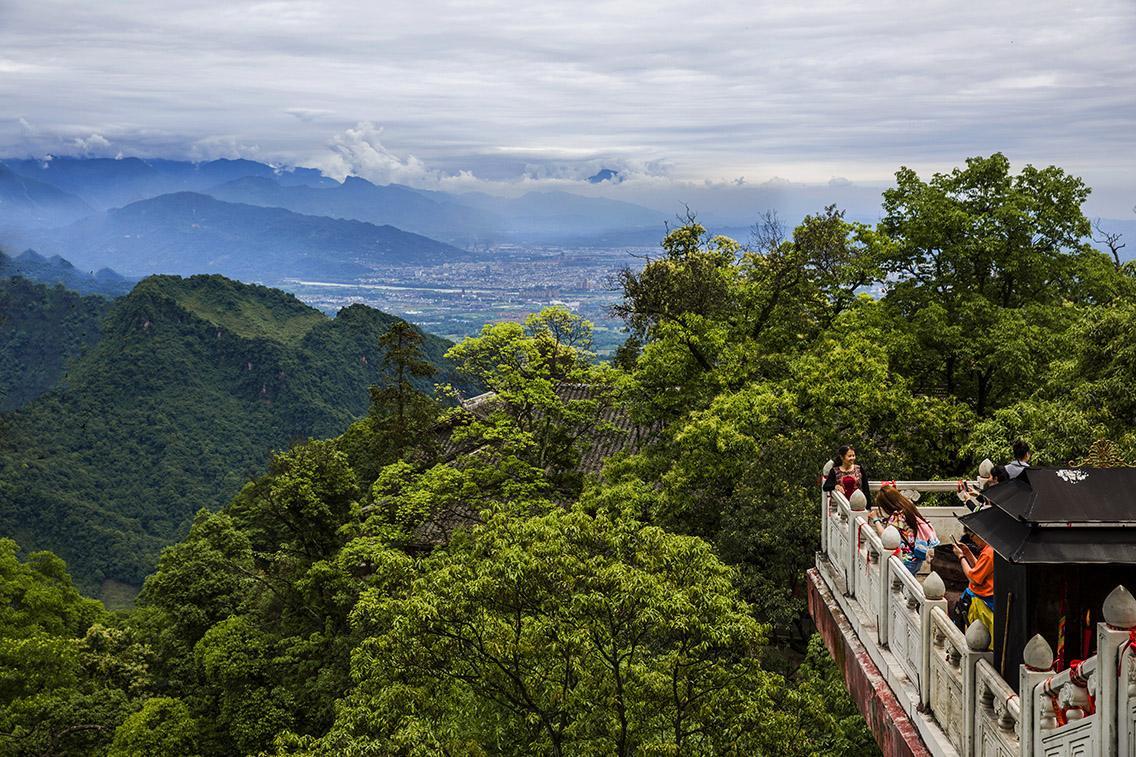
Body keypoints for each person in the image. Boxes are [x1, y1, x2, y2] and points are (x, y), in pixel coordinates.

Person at [871, 485, 939, 574]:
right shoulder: (908, 508)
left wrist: (875, 519)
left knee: (899, 585)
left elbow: (886, 536)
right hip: (916, 557)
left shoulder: (897, 516)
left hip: (906, 559)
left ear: (887, 505)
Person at [953, 529, 995, 645]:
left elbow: (974, 578)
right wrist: (967, 553)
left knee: (979, 635)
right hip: (986, 598)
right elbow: (979, 569)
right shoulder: (990, 549)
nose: (972, 540)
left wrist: (961, 557)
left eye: (972, 536)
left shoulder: (989, 553)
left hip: (982, 601)